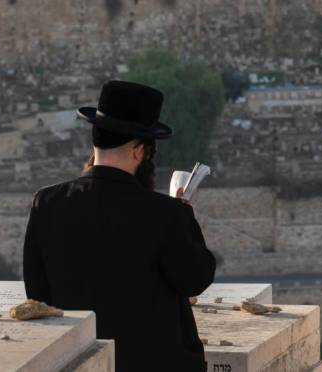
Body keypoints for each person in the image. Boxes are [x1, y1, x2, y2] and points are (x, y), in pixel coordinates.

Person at [23, 80, 216, 371]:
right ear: (139, 151)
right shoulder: (166, 215)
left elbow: (37, 295)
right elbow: (195, 278)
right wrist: (186, 219)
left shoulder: (47, 203)